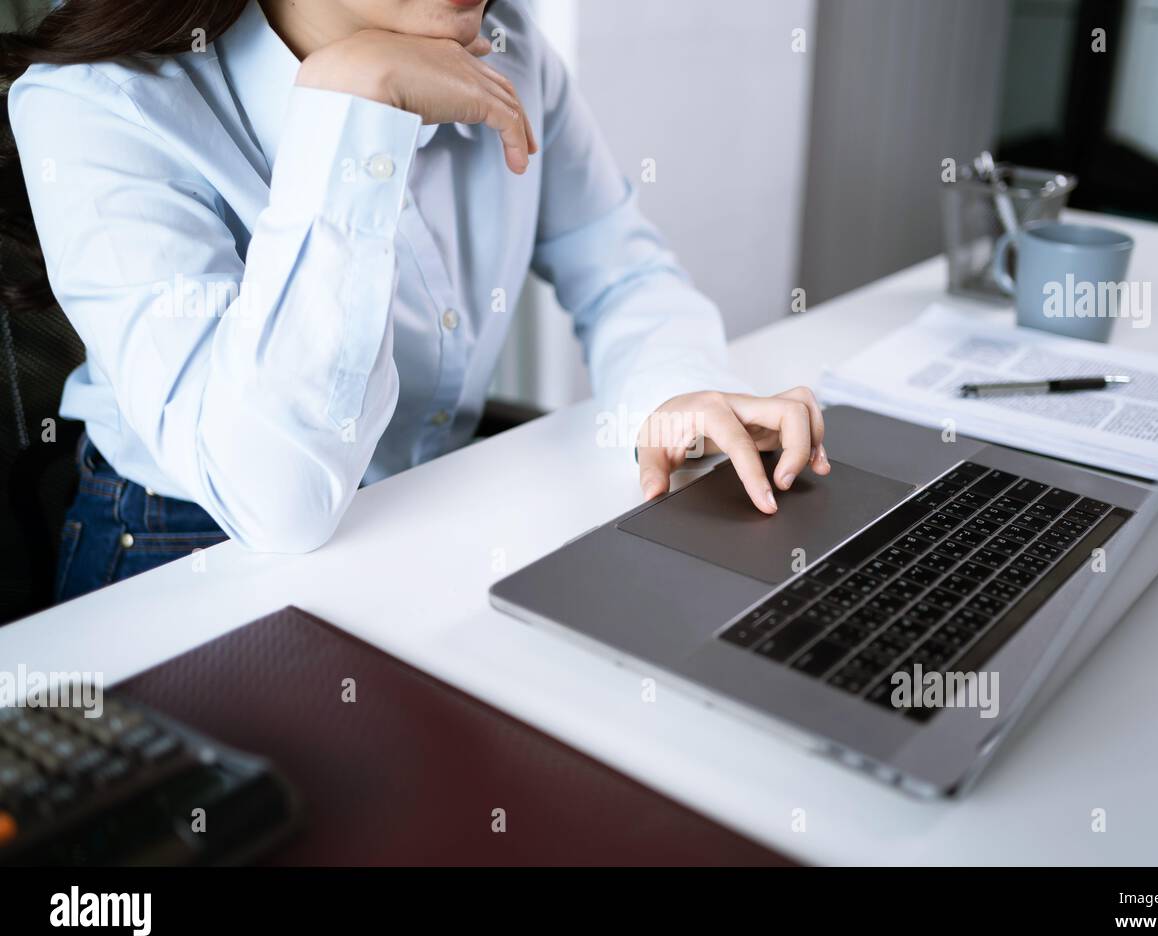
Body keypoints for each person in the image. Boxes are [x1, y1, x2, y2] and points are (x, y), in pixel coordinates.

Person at [1, 0, 830, 602]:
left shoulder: (509, 46)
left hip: (429, 511)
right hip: (183, 548)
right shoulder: (94, 106)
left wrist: (673, 392)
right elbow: (275, 502)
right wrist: (353, 105)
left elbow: (621, 270)